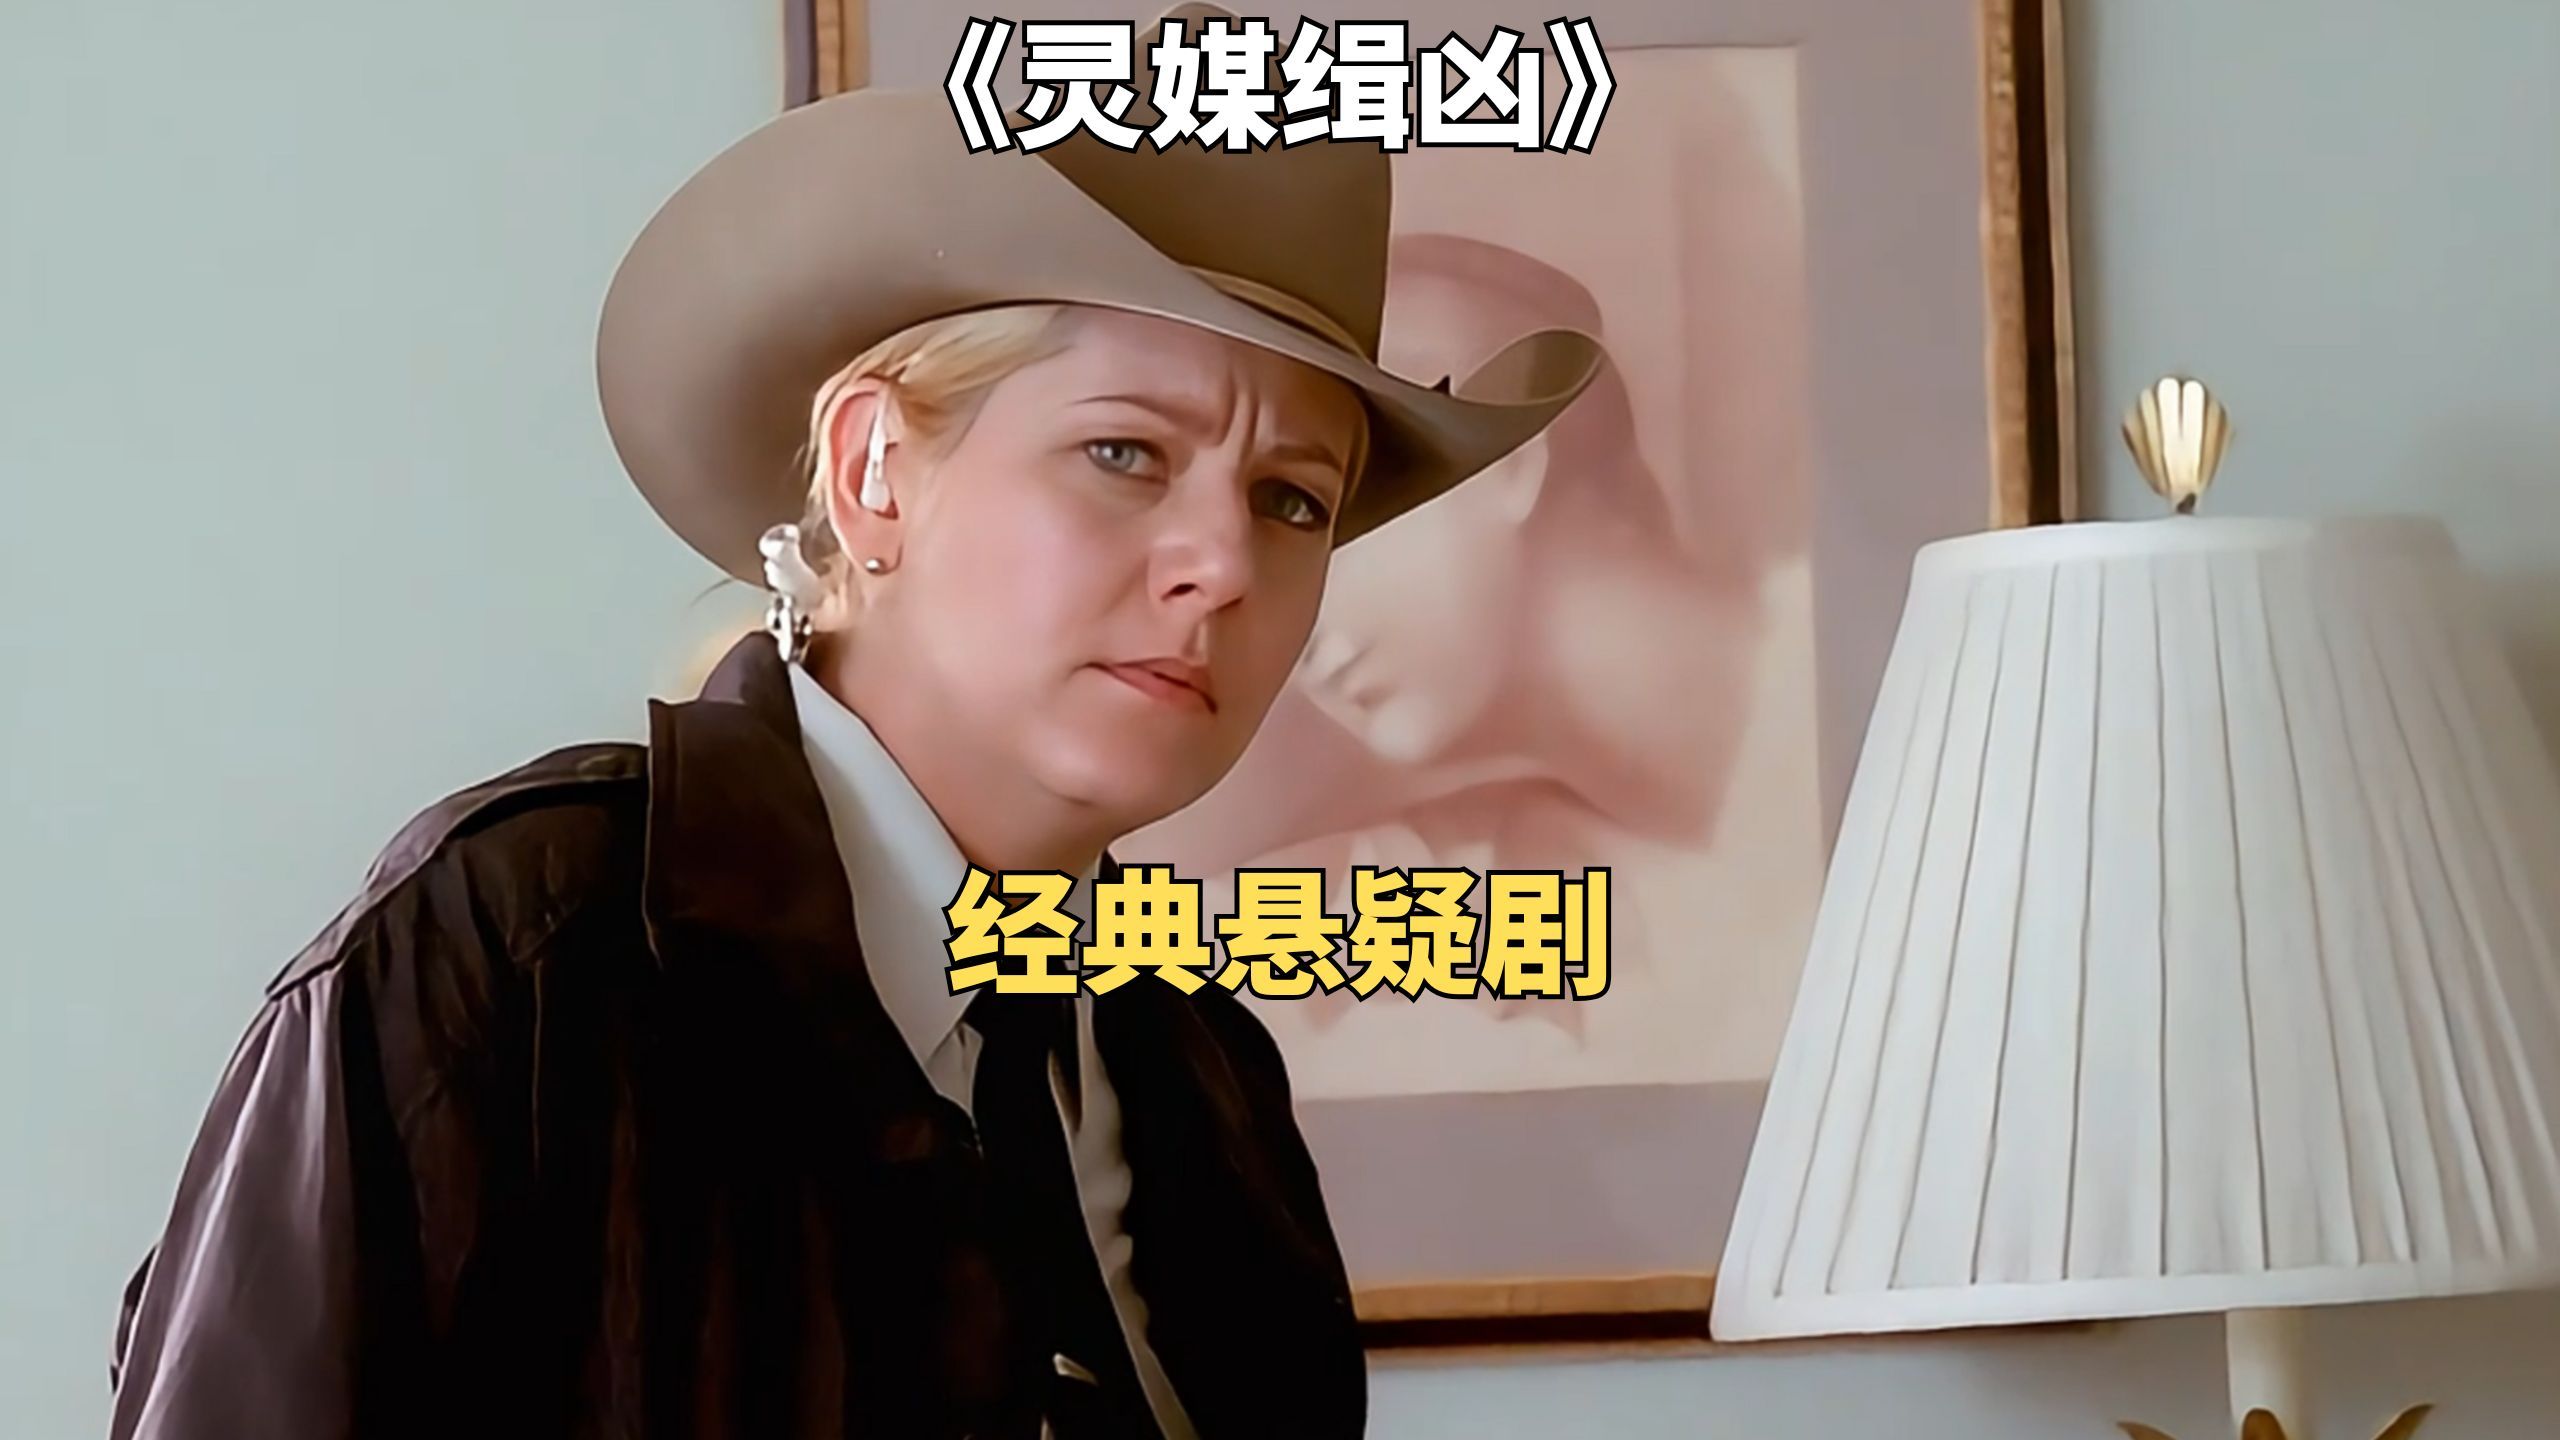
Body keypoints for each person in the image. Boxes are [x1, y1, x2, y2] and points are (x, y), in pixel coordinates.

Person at [100, 6, 1600, 1438]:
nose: (1222, 564)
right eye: (1126, 453)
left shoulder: (1208, 1077)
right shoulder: (517, 951)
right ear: (875, 470)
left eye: (1293, 501)